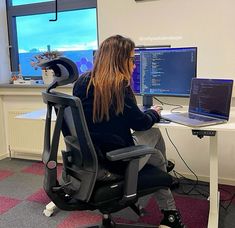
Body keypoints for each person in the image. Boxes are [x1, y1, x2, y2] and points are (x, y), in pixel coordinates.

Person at [73, 35, 185, 228]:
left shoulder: (81, 83)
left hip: (90, 159)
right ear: (120, 60)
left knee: (155, 150)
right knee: (156, 152)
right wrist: (154, 113)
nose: (134, 65)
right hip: (115, 163)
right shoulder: (120, 86)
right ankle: (170, 211)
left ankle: (164, 177)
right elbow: (140, 124)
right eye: (132, 59)